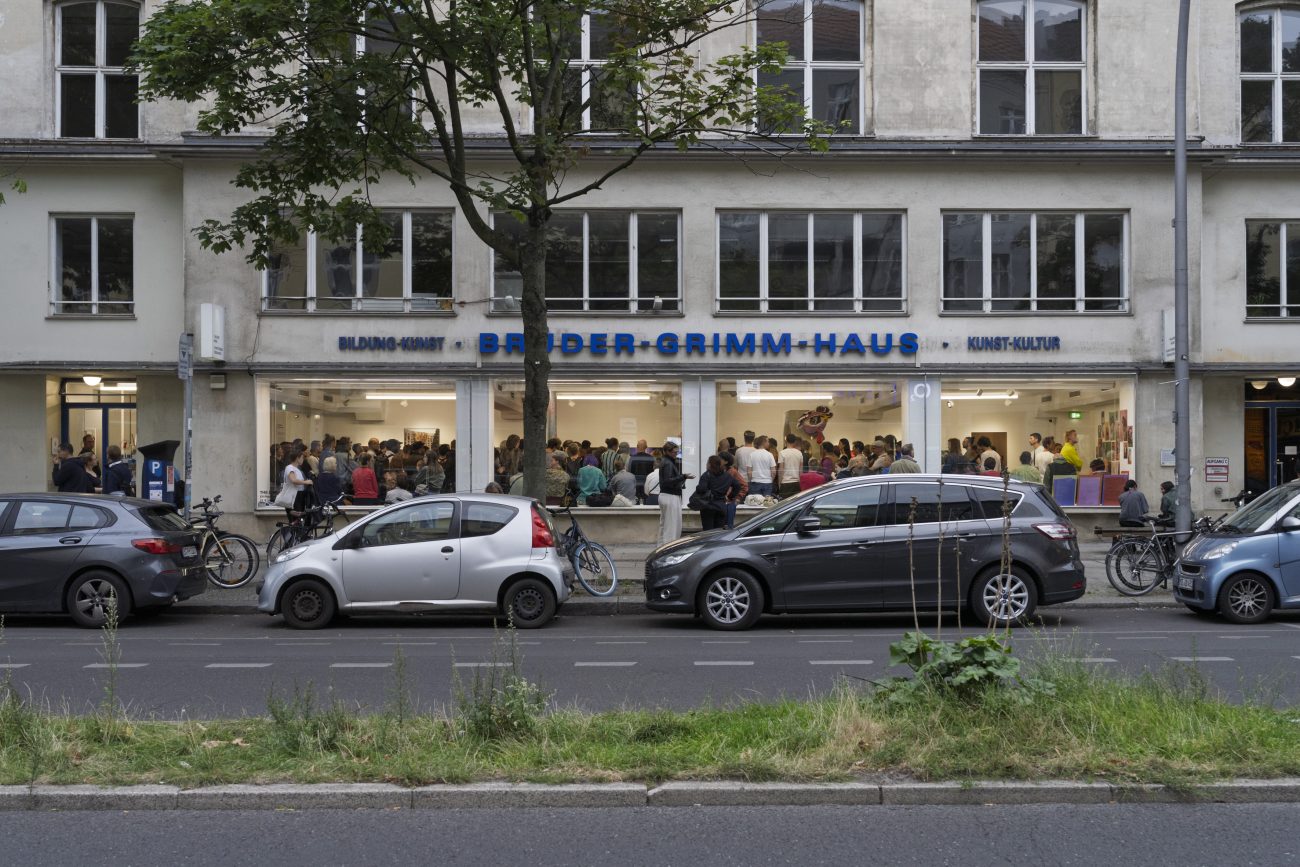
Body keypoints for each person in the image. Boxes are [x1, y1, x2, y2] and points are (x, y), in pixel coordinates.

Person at [691, 455, 740, 532]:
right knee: (718, 532)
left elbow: (701, 489)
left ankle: (709, 544)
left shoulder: (707, 475)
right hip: (721, 506)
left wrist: (698, 488)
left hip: (708, 506)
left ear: (710, 464)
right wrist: (730, 497)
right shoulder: (727, 475)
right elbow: (737, 485)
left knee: (708, 532)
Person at [657, 441, 692, 546]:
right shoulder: (668, 463)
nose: (676, 454)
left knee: (665, 525)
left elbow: (668, 480)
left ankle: (661, 548)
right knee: (672, 528)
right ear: (667, 451)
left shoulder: (666, 461)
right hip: (670, 496)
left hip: (667, 495)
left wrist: (682, 478)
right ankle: (668, 550)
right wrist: (683, 477)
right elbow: (668, 480)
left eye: (677, 452)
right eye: (674, 452)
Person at [281, 447, 313, 518]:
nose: (303, 459)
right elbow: (293, 480)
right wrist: (306, 482)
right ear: (297, 458)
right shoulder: (289, 468)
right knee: (295, 520)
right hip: (293, 497)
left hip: (299, 497)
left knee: (299, 520)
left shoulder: (297, 470)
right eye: (302, 457)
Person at [720, 452, 748, 528]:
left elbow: (744, 485)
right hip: (721, 502)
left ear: (726, 461)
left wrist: (738, 497)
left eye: (720, 459)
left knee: (728, 525)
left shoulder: (732, 472)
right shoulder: (719, 471)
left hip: (730, 502)